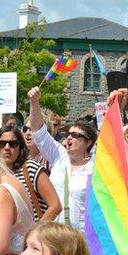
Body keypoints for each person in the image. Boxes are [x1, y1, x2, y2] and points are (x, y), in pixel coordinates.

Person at [28, 86, 98, 232]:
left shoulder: (96, 166)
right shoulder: (60, 156)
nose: (69, 138)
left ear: (88, 142)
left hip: (81, 239)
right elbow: (39, 133)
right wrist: (34, 102)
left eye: (76, 135)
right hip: (54, 235)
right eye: (69, 134)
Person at [0, 126, 61, 222]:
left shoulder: (30, 168)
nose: (7, 148)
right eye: (2, 143)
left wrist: (34, 233)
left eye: (13, 144)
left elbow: (55, 206)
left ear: (20, 147)